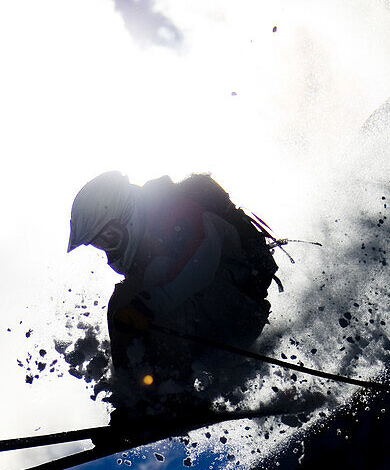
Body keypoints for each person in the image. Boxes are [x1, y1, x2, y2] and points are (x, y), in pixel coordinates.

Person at [67, 171, 278, 418]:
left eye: (109, 237)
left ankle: (172, 394)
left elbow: (203, 259)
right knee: (125, 304)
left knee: (141, 300)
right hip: (207, 329)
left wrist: (151, 304)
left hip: (238, 312)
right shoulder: (146, 250)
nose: (107, 249)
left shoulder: (172, 210)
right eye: (99, 243)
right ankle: (136, 398)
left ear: (126, 215)